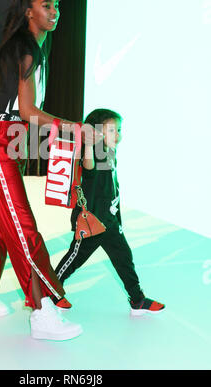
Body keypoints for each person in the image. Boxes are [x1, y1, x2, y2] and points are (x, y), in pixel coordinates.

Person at [0, 0, 101, 341]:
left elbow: (25, 113)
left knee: (0, 214)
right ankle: (42, 312)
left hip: (9, 137)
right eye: (47, 5)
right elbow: (27, 110)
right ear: (29, 11)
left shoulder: (29, 46)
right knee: (22, 224)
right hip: (0, 136)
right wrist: (74, 127)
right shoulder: (26, 47)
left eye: (57, 5)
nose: (55, 11)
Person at [54, 108, 165, 316]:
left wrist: (118, 218)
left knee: (124, 257)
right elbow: (88, 167)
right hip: (93, 220)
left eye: (120, 130)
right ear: (96, 132)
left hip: (110, 220)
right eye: (113, 131)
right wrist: (88, 142)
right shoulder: (93, 151)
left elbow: (113, 187)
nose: (119, 136)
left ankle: (137, 300)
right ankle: (48, 291)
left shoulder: (110, 152)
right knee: (74, 259)